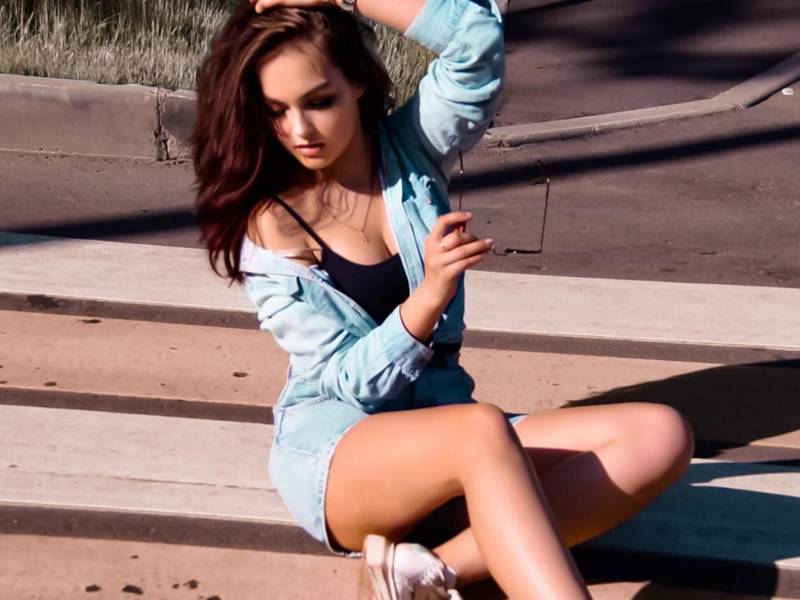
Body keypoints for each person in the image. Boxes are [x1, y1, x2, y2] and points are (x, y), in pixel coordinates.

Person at [191, 0, 696, 597]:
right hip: (341, 455)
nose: (300, 131)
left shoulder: (409, 152)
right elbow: (346, 382)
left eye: (319, 101)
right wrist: (426, 300)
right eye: (276, 111)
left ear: (356, 81)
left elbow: (475, 41)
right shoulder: (272, 225)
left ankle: (426, 573)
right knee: (480, 429)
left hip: (455, 438)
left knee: (658, 435)